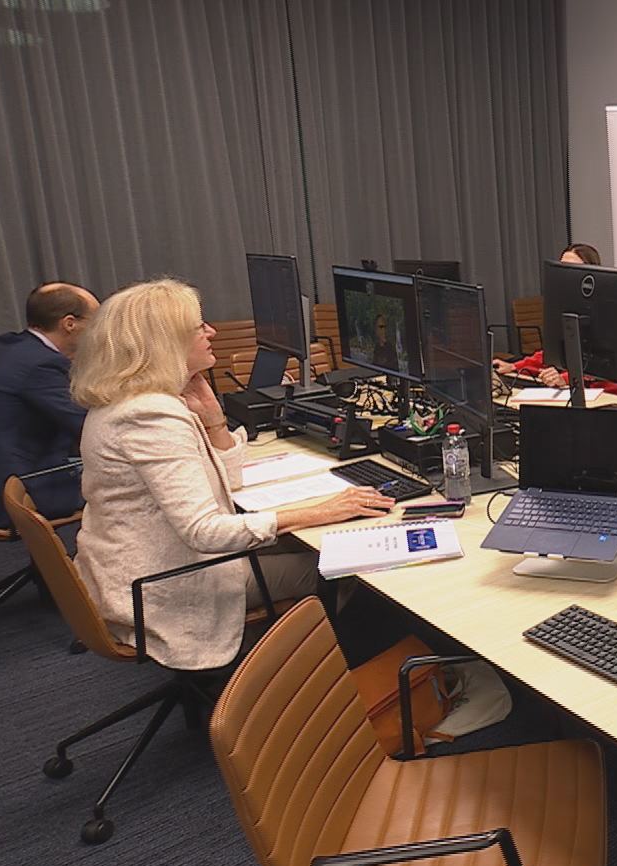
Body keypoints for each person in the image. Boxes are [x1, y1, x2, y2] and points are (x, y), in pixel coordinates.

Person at [71, 278, 393, 671]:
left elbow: (226, 486)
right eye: (198, 328)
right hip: (170, 580)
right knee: (353, 569)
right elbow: (204, 531)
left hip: (137, 562)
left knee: (316, 541)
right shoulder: (151, 417)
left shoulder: (131, 400)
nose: (211, 332)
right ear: (165, 343)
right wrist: (319, 512)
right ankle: (321, 680)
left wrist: (213, 420)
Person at [0, 281, 98, 527]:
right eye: (96, 320)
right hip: (16, 489)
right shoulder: (42, 364)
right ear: (69, 323)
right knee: (136, 477)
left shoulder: (1, 347)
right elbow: (91, 427)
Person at [493, 243, 617, 396]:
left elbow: (602, 363)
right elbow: (553, 353)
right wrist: (514, 367)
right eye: (563, 267)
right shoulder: (567, 304)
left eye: (572, 268)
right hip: (575, 389)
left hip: (606, 392)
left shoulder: (608, 308)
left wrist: (566, 379)